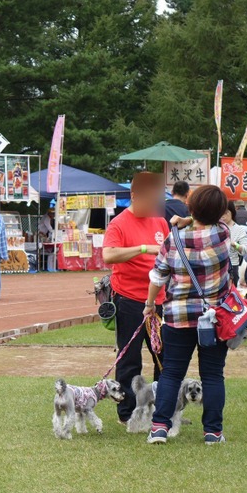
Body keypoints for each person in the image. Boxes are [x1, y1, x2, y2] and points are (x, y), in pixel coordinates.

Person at [143, 185, 232, 445]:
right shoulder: (224, 235)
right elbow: (210, 218)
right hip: (214, 318)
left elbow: (158, 277)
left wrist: (150, 304)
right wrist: (192, 218)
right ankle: (213, 432)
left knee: (171, 373)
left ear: (190, 208)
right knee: (213, 375)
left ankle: (159, 428)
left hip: (177, 316)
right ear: (221, 212)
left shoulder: (173, 240)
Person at [103, 172, 168, 424]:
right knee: (130, 359)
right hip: (129, 299)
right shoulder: (119, 223)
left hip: (158, 299)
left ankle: (161, 408)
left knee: (163, 355)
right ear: (134, 196)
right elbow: (108, 255)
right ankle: (127, 412)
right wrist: (143, 248)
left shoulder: (160, 222)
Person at [221, 202, 247, 288]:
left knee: (230, 294)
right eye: (220, 213)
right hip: (218, 265)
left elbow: (245, 249)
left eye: (225, 213)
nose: (222, 216)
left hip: (232, 265)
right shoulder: (216, 227)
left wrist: (235, 245)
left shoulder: (239, 229)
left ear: (232, 212)